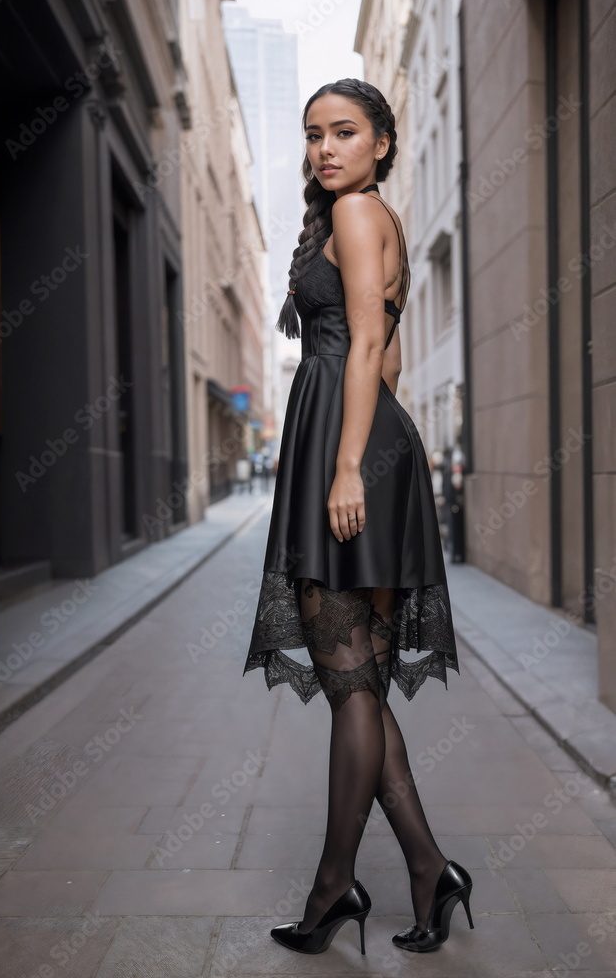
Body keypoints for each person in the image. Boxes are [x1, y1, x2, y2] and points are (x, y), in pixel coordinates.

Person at [242, 78, 474, 956]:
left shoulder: (353, 215)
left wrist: (349, 467)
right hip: (366, 441)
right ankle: (429, 871)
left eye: (343, 132)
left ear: (381, 141)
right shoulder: (378, 219)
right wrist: (374, 453)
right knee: (362, 685)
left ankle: (334, 889)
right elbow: (392, 349)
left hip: (349, 454)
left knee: (348, 685)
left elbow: (372, 344)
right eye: (312, 135)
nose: (323, 149)